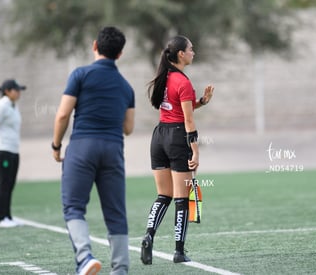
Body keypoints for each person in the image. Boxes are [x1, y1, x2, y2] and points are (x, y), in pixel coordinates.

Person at [52, 26, 135, 275]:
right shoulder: (126, 87)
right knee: (115, 212)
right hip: (112, 149)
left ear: (94, 46)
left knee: (74, 206)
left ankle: (85, 256)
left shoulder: (80, 74)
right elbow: (128, 128)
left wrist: (56, 146)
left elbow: (63, 114)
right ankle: (120, 269)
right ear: (120, 54)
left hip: (82, 146)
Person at [140, 35, 214, 265]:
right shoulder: (183, 82)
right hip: (177, 137)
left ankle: (148, 235)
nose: (194, 52)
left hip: (159, 136)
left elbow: (179, 107)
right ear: (181, 54)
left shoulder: (166, 77)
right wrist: (195, 151)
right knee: (182, 198)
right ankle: (179, 252)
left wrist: (201, 100)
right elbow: (188, 122)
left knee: (164, 195)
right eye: (191, 49)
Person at [0, 79, 26, 228]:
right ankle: (1, 219)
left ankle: (8, 216)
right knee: (4, 183)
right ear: (7, 91)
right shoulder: (2, 105)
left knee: (10, 183)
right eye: (16, 90)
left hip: (13, 150)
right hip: (2, 150)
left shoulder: (13, 106)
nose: (19, 93)